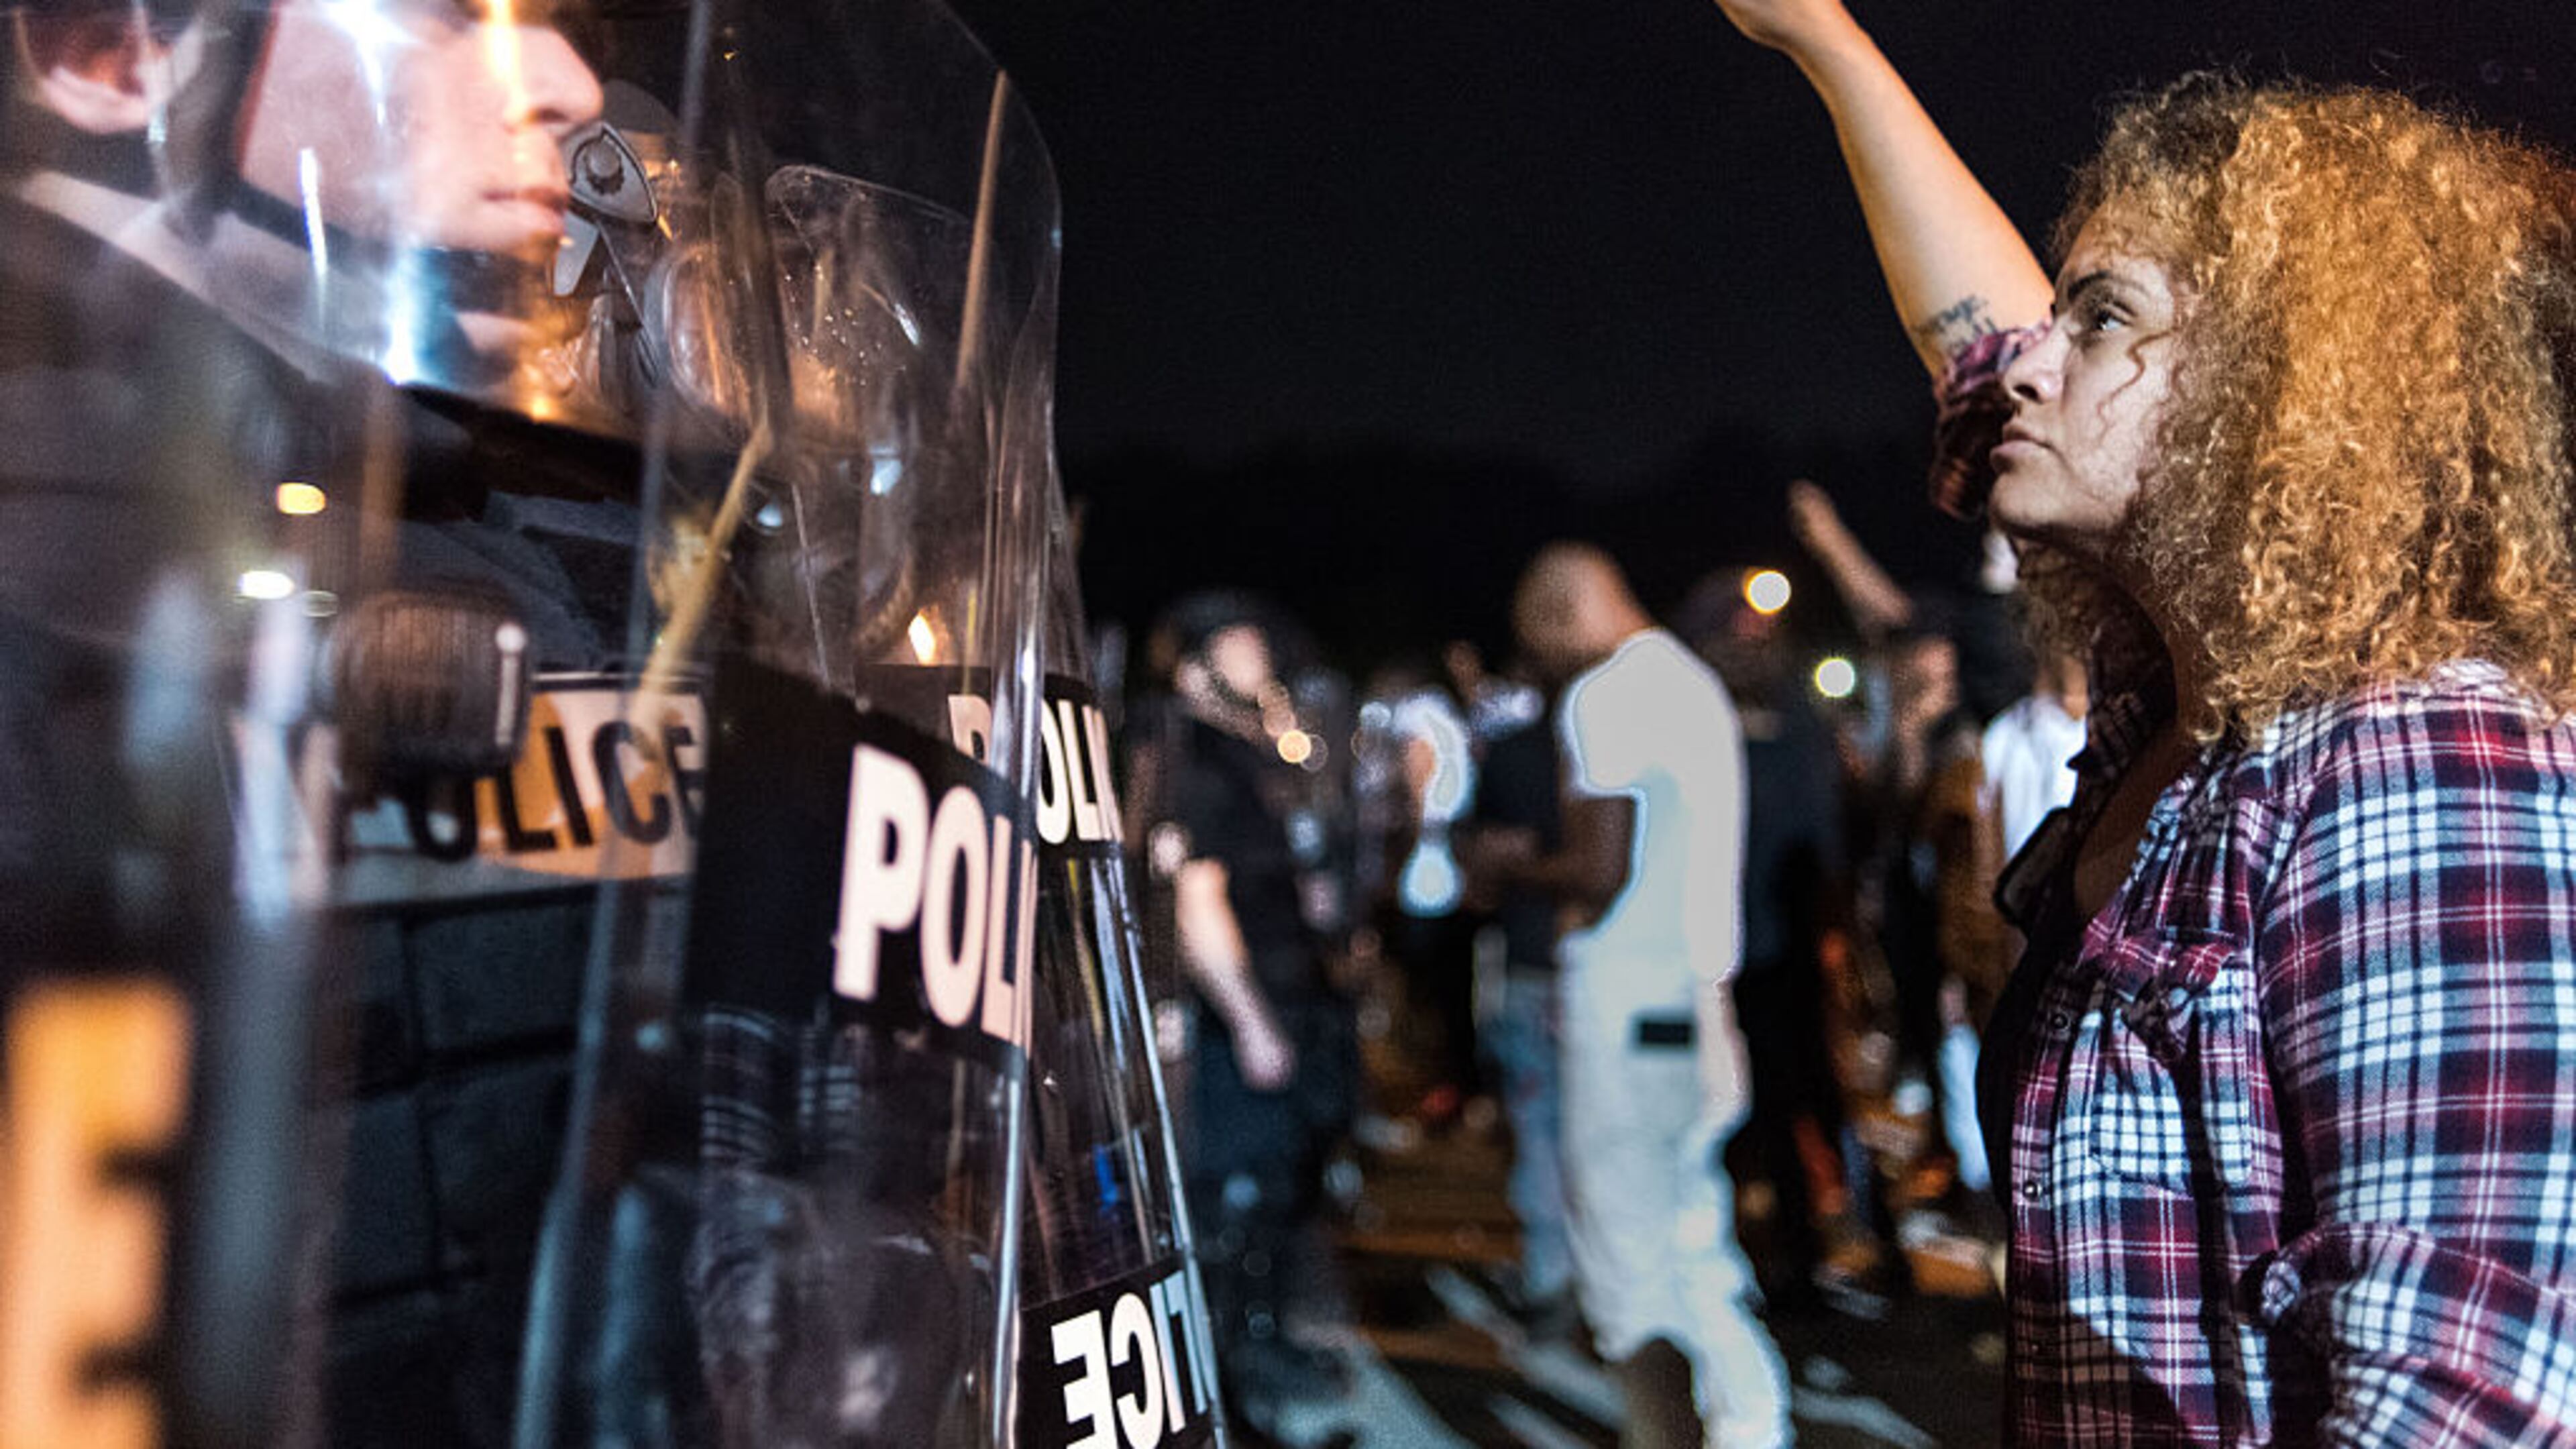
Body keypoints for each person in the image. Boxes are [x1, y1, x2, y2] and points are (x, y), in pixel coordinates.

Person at [1717, 0, 2576, 1441]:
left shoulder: (2421, 757)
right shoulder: (2197, 730)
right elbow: (1986, 364)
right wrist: (1824, 40)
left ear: (2284, 395)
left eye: (2101, 318)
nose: (2032, 361)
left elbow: (2466, 1399)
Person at [1479, 543, 1790, 1449]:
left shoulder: (1606, 695)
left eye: (1542, 646)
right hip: (1702, 1000)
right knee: (1694, 1235)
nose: (1544, 668)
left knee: (1622, 1258)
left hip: (1626, 1008)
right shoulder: (1690, 683)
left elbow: (1599, 867)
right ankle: (1749, 1422)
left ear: (1566, 617)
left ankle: (1665, 1435)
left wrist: (1508, 866)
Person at [1148, 595, 1356, 1437]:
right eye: (1236, 638)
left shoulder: (1253, 747)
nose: (1257, 646)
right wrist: (1249, 1020)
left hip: (1289, 990)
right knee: (1230, 1197)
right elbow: (1198, 900)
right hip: (1241, 1009)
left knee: (1277, 1186)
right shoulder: (1189, 752)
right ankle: (1228, 1376)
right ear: (1195, 661)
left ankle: (1262, 1344)